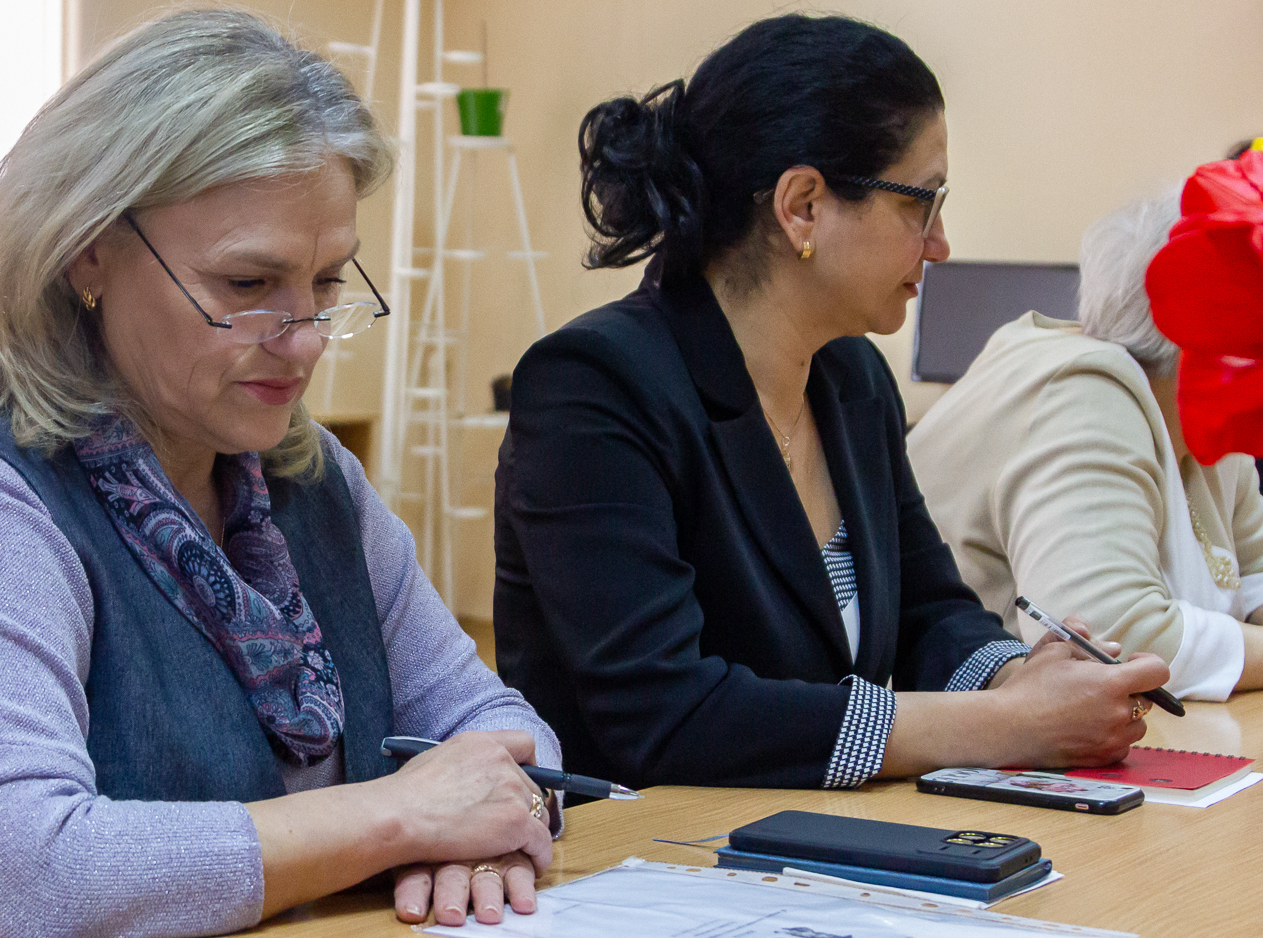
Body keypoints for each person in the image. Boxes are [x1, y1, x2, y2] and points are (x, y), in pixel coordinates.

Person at [0, 11, 559, 937]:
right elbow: (29, 878)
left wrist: (494, 827)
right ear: (88, 247)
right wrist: (403, 817)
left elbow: (501, 729)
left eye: (329, 283)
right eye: (247, 286)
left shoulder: (312, 479)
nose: (303, 342)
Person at [492, 14, 1169, 794]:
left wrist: (1022, 676)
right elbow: (669, 715)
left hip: (822, 835)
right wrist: (1011, 723)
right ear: (803, 205)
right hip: (644, 847)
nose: (941, 243)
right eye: (922, 202)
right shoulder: (593, 385)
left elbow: (931, 614)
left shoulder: (851, 376)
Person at [908, 192, 1263, 701]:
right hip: (966, 728)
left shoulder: (1209, 414)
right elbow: (1116, 643)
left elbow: (1256, 575)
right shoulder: (1084, 393)